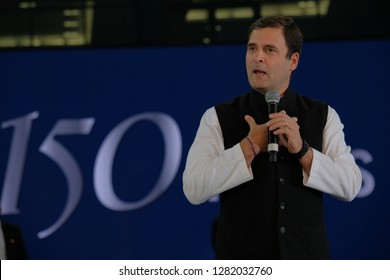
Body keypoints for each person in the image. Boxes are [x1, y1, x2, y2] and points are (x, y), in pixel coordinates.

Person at [182, 16, 362, 259]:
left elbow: (350, 185)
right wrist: (249, 146)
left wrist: (303, 151)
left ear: (293, 61)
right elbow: (193, 188)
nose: (258, 57)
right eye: (252, 48)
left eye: (270, 50)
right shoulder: (217, 117)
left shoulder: (322, 115)